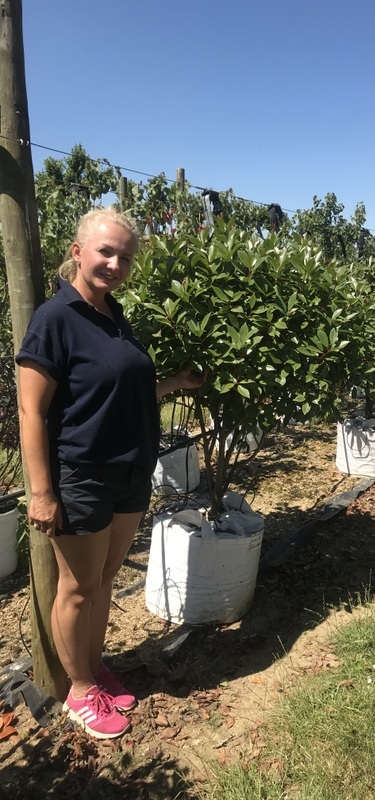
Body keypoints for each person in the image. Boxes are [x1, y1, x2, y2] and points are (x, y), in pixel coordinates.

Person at [16, 207, 203, 740]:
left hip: (130, 471)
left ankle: (94, 668)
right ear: (78, 252)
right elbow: (31, 411)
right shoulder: (56, 318)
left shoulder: (114, 313)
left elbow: (119, 390)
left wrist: (174, 384)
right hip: (81, 475)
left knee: (104, 580)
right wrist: (41, 492)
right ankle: (79, 691)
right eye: (105, 252)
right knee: (77, 587)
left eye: (125, 257)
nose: (115, 264)